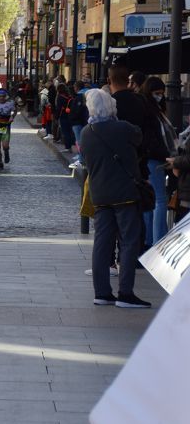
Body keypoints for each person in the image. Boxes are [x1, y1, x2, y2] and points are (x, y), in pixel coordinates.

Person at [80, 88, 151, 309]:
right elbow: (139, 136)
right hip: (125, 193)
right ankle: (125, 293)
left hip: (100, 194)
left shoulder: (86, 132)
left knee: (102, 243)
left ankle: (101, 292)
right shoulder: (122, 128)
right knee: (129, 242)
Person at [139, 76, 178, 244]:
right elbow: (152, 139)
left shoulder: (153, 109)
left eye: (162, 93)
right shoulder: (151, 111)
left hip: (152, 159)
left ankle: (149, 242)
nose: (160, 96)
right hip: (155, 160)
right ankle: (159, 242)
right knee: (160, 201)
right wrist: (166, 155)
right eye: (157, 93)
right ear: (149, 92)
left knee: (151, 203)